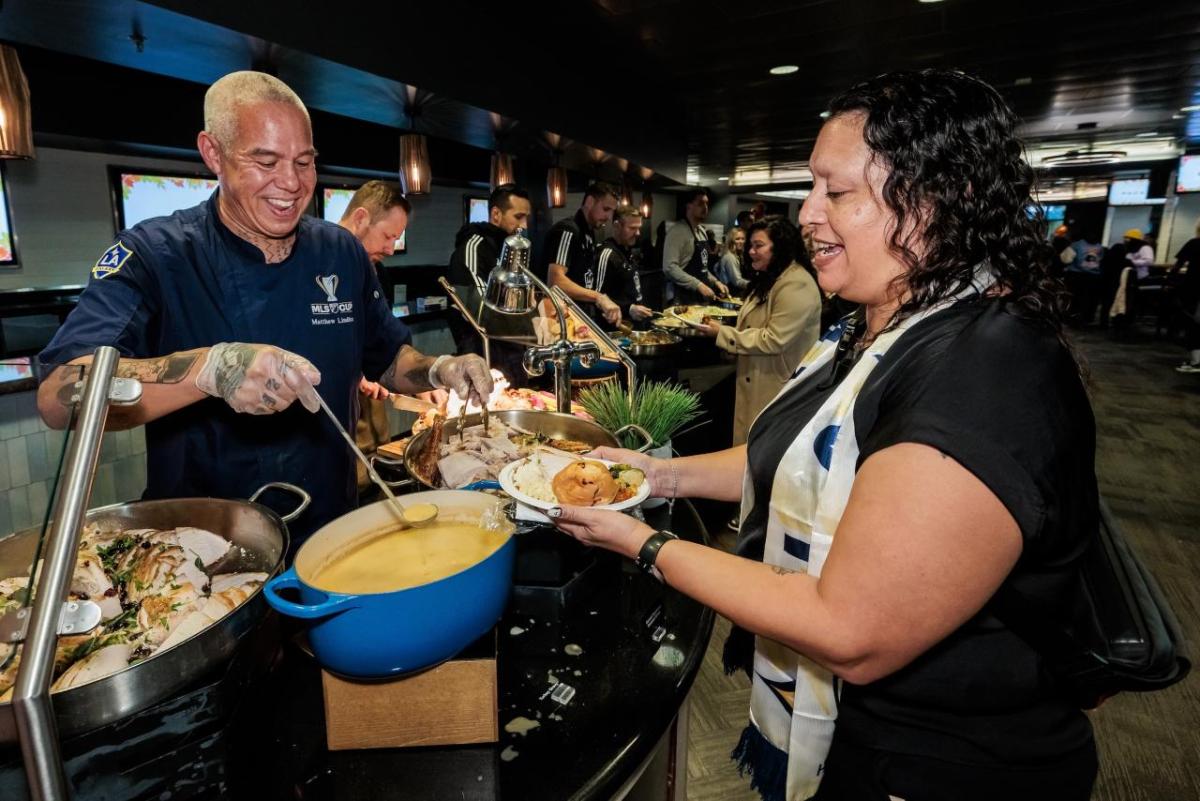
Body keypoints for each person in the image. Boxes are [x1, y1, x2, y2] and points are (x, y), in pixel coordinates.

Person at [548, 68, 1099, 801]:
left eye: (835, 192)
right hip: (859, 739)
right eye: (811, 188)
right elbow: (795, 456)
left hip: (946, 764)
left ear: (935, 199)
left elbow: (850, 628)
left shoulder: (984, 373)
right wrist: (656, 476)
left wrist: (643, 543)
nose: (805, 214)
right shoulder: (885, 323)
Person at [35, 71, 491, 545]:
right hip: (205, 544)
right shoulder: (155, 254)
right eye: (265, 161)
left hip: (330, 528)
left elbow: (389, 358)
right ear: (213, 153)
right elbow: (58, 394)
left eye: (304, 162)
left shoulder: (340, 252)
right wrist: (210, 370)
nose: (291, 183)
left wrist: (441, 368)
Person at [696, 217, 820, 446]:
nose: (751, 251)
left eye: (759, 245)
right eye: (750, 245)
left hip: (776, 388)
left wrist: (722, 334)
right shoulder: (770, 278)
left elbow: (774, 339)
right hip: (758, 380)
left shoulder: (796, 283)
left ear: (780, 246)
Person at [335, 180, 411, 490]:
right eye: (387, 236)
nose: (391, 248)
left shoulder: (370, 267)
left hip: (366, 397)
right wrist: (355, 373)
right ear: (360, 218)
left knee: (374, 470)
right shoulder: (318, 260)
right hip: (330, 412)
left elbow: (375, 337)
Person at [446, 184, 533, 382]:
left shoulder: (511, 250)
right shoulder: (473, 246)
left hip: (514, 355)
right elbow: (478, 308)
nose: (525, 225)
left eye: (526, 218)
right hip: (481, 356)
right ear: (496, 214)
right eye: (518, 217)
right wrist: (531, 325)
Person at [544, 182, 622, 325]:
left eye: (612, 211)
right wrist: (599, 297)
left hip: (580, 318)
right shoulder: (568, 230)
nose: (609, 217)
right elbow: (555, 281)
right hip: (561, 319)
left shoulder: (589, 233)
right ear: (590, 202)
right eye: (606, 209)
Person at [662, 188, 728, 304]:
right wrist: (698, 285)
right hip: (682, 299)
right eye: (700, 203)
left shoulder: (702, 231)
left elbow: (703, 268)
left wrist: (716, 282)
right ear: (688, 206)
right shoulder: (678, 231)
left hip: (699, 298)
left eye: (707, 203)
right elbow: (669, 268)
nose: (705, 207)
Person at [596, 204, 653, 324]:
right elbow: (598, 297)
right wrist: (629, 309)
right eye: (632, 228)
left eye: (639, 228)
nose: (638, 233)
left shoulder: (627, 250)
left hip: (634, 325)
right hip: (616, 330)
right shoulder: (607, 254)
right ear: (617, 226)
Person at [1173, 218, 1200, 372]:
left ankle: (1196, 362)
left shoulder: (1194, 243)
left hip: (1194, 290)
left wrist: (1172, 282)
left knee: (1194, 325)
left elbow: (1178, 265)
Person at [1064, 230, 1104, 325]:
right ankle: (1084, 318)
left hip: (1079, 275)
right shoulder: (1099, 247)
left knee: (1076, 299)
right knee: (1086, 299)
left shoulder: (1076, 245)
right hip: (1089, 276)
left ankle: (1074, 318)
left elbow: (1066, 259)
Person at [714, 227, 749, 293]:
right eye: (737, 239)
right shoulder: (730, 257)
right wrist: (753, 285)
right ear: (731, 241)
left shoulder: (738, 255)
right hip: (731, 295)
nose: (741, 241)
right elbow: (737, 281)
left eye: (743, 239)